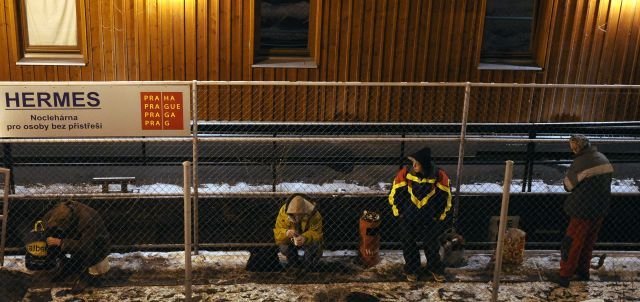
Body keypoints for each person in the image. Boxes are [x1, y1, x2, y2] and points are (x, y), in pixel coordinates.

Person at [550, 134, 613, 287]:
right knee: (588, 242)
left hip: (583, 210)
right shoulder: (602, 157)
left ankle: (564, 275)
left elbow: (568, 185)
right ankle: (583, 272)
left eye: (573, 146)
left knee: (572, 243)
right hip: (600, 208)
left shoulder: (581, 162)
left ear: (577, 147)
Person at [388, 146, 452, 282]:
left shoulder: (439, 175)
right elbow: (394, 193)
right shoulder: (405, 173)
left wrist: (439, 217)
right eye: (413, 162)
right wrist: (399, 213)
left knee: (431, 244)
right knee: (408, 243)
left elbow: (445, 197)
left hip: (430, 219)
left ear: (425, 164)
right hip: (408, 217)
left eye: (417, 162)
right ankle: (412, 269)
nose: (414, 165)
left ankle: (435, 268)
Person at [43, 200, 111, 293]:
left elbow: (85, 246)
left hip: (96, 246)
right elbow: (46, 221)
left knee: (85, 253)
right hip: (75, 236)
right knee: (54, 237)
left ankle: (85, 277)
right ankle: (67, 268)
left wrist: (60, 242)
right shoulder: (58, 210)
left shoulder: (86, 219)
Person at [273, 193, 323, 270]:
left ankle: (308, 267)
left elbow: (317, 233)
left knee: (316, 245)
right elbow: (278, 231)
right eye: (294, 215)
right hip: (291, 238)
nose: (297, 217)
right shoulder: (284, 212)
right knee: (284, 247)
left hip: (306, 239)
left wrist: (305, 237)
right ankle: (293, 266)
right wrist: (286, 233)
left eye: (300, 215)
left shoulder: (314, 214)